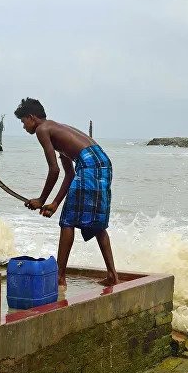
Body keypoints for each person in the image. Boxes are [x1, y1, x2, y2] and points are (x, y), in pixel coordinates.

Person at [14, 97, 118, 287]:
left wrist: (41, 199)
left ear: (31, 117)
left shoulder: (42, 130)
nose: (23, 127)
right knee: (97, 223)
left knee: (68, 221)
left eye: (23, 122)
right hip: (102, 162)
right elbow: (69, 174)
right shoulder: (57, 130)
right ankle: (112, 275)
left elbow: (54, 170)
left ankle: (60, 277)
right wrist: (54, 204)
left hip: (88, 165)